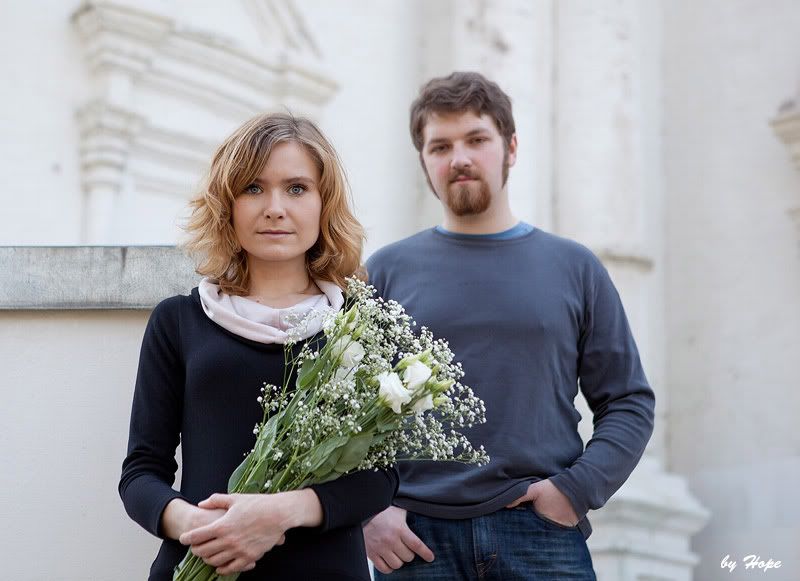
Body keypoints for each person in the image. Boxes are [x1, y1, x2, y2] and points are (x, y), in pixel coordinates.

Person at [363, 72, 656, 580]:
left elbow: (628, 401)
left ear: (511, 147)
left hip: (542, 536)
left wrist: (575, 491)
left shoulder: (575, 268)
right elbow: (343, 412)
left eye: (477, 139)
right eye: (440, 146)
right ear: (424, 161)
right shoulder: (385, 272)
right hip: (415, 543)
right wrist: (369, 515)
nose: (459, 158)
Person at [119, 112, 398, 581]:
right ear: (226, 204)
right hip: (202, 563)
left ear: (324, 203)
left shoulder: (361, 323)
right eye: (253, 188)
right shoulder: (178, 321)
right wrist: (201, 527)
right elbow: (141, 474)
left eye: (297, 188)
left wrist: (278, 514)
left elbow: (381, 478)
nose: (274, 208)